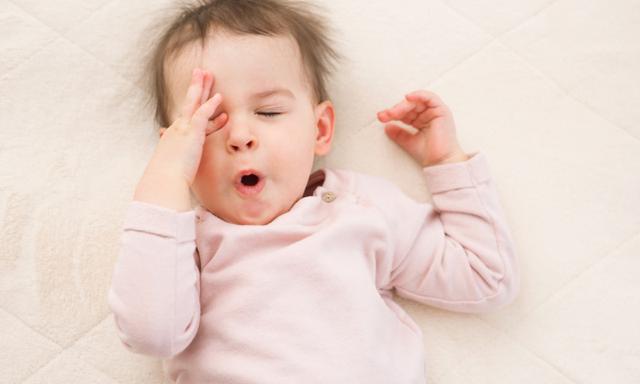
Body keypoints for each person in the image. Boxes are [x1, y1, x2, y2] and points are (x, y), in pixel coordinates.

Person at [108, 0, 519, 382]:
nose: (240, 136)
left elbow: (486, 277)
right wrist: (165, 178)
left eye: (268, 112)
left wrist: (446, 161)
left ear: (320, 129)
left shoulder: (360, 209)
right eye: (208, 124)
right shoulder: (182, 245)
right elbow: (151, 334)